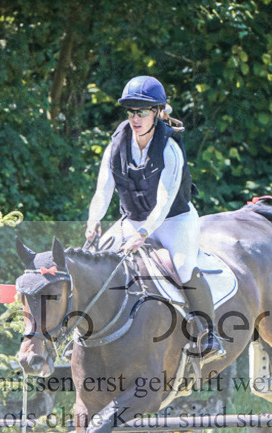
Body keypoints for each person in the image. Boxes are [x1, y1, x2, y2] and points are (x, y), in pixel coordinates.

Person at [84, 75, 225, 360]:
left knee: (183, 267)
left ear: (158, 112)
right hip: (132, 219)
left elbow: (164, 200)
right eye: (131, 111)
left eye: (142, 111)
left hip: (174, 220)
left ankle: (210, 334)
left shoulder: (170, 148)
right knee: (96, 260)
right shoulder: (116, 146)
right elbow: (102, 191)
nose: (135, 118)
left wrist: (144, 234)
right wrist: (93, 221)